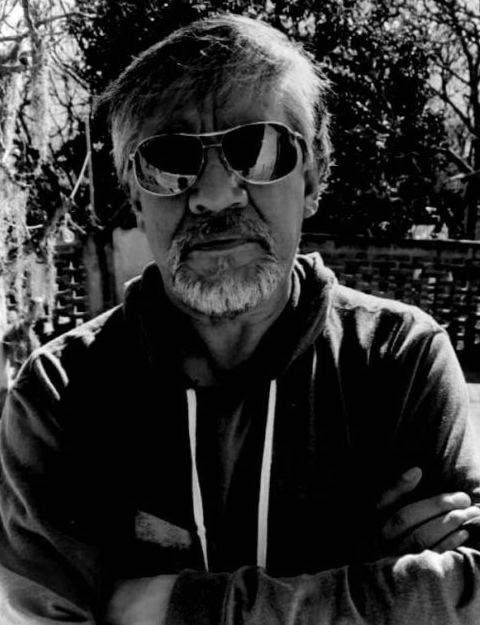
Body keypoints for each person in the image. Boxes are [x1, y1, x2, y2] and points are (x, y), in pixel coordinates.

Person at [0, 14, 479, 625]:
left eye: (258, 149)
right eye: (168, 159)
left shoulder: (398, 359)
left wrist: (181, 607)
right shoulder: (62, 392)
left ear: (313, 178)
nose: (215, 194)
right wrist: (379, 585)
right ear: (134, 195)